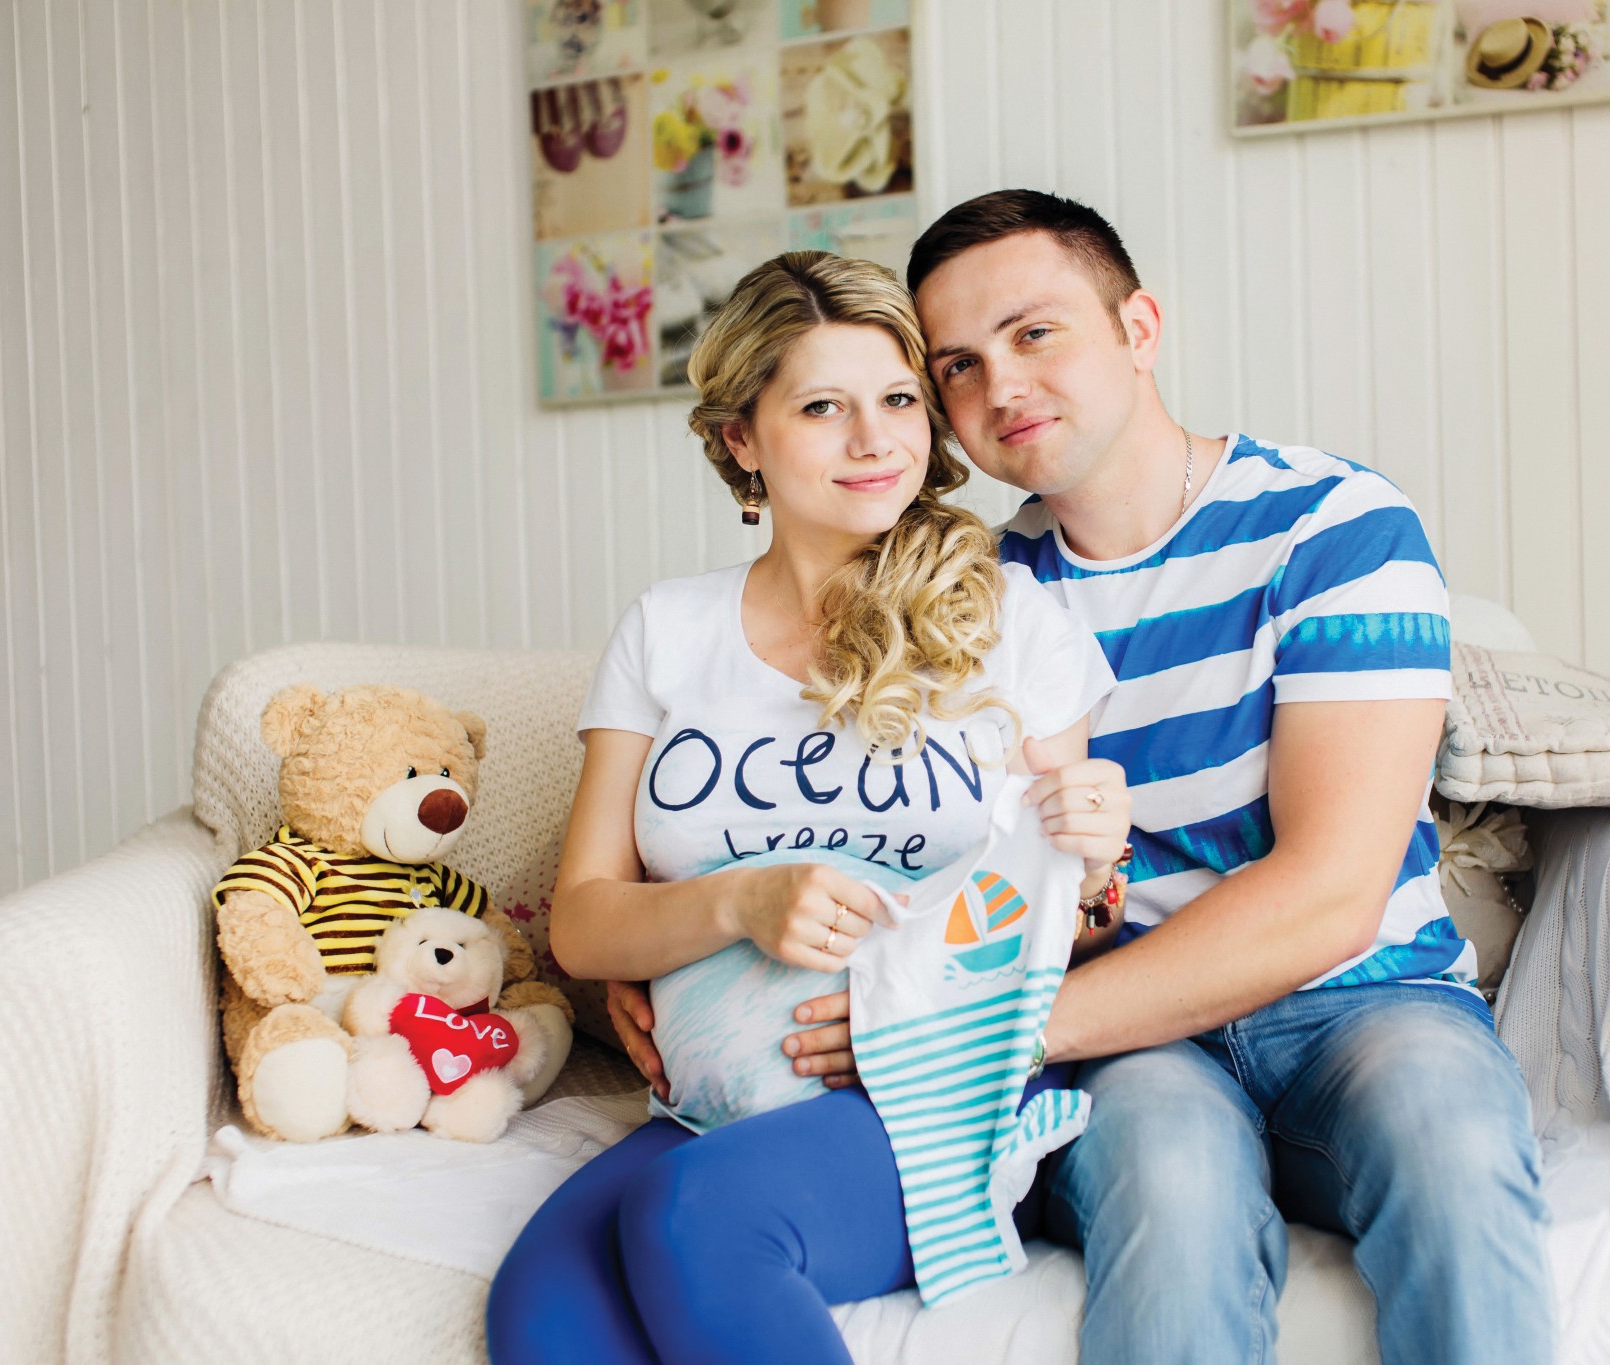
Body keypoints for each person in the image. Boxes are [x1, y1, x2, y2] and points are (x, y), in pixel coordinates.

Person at [605, 192, 1554, 1365]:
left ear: (1137, 328)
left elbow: (1329, 894)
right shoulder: (960, 596)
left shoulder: (1332, 527)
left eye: (1034, 332)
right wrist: (675, 968)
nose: (1000, 384)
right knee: (1171, 1189)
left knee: (1453, 1142)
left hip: (1362, 1003)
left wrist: (960, 1034)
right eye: (957, 364)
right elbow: (819, 828)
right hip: (1127, 1047)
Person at [487, 250, 1133, 1364]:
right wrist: (739, 903)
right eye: (823, 408)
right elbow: (583, 922)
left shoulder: (1010, 622)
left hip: (931, 1101)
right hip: (712, 1108)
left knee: (696, 1218)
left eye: (898, 401)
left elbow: (1067, 928)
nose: (875, 440)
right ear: (741, 437)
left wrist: (1096, 870)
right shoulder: (667, 631)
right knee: (540, 1312)